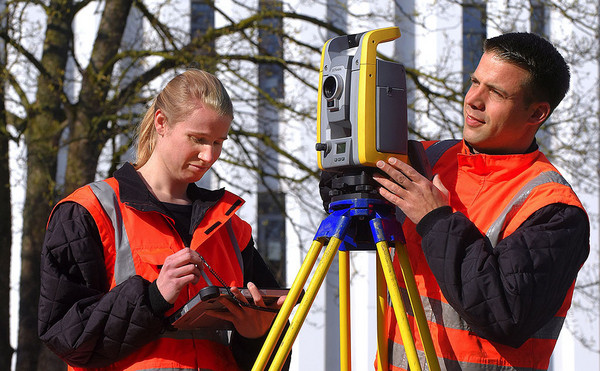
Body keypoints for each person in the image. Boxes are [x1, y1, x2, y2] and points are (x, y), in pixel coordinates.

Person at [323, 32, 589, 370]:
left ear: (537, 113)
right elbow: (354, 224)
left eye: (495, 92)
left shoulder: (553, 209)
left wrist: (436, 220)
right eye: (475, 82)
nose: (473, 99)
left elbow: (504, 313)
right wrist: (346, 163)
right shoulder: (427, 159)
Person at [38, 69, 289, 371]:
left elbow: (275, 357)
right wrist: (154, 296)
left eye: (218, 142)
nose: (209, 155)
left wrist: (257, 335)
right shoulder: (88, 211)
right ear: (161, 123)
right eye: (198, 139)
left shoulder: (232, 228)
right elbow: (66, 338)